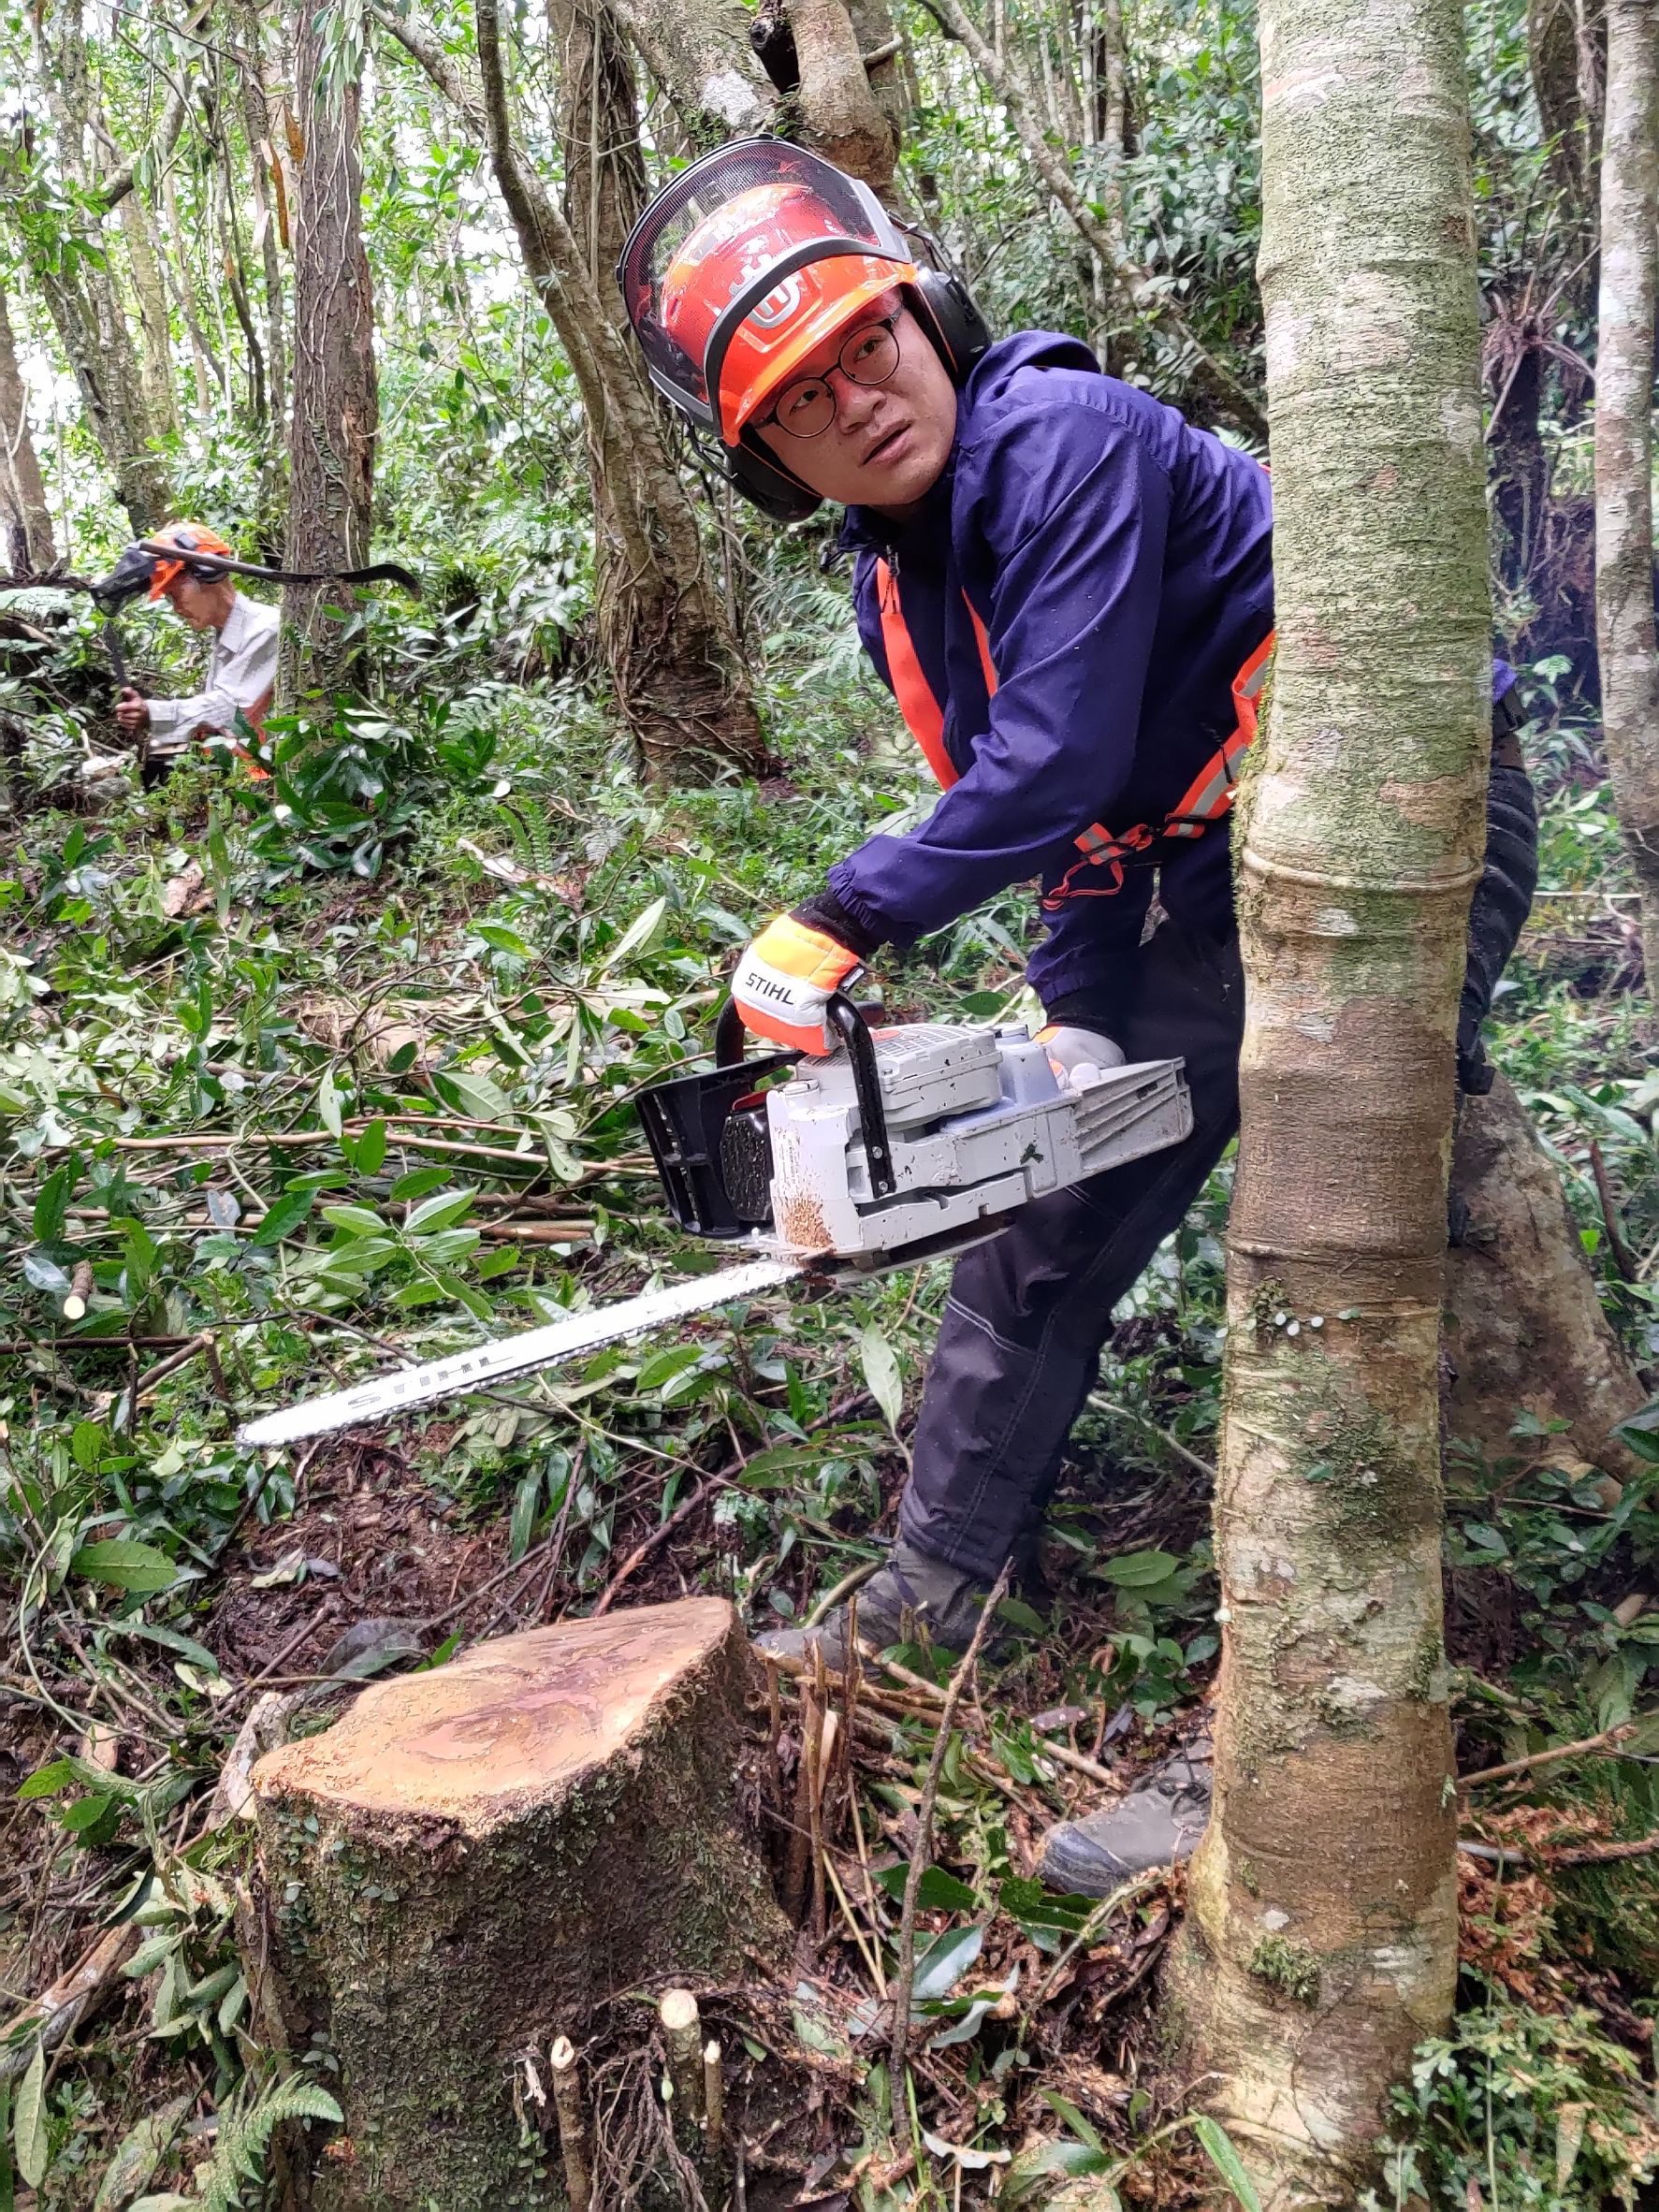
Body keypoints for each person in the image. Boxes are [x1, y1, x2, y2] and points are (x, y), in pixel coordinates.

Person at [619, 141, 1537, 1891]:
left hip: (1391, 811)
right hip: (1194, 870)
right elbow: (1070, 824)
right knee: (1034, 1212)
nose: (858, 401)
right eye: (803, 402)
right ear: (771, 465)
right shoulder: (907, 577)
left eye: (864, 349)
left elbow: (1054, 766)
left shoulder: (1065, 441)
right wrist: (1066, 1027)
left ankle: (1290, 1744)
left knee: (1325, 1248)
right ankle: (927, 1595)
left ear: (924, 315)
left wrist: (835, 915)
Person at [111, 522, 278, 772]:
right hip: (242, 780)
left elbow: (228, 709)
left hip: (269, 786)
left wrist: (152, 712)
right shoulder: (226, 637)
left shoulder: (265, 629)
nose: (177, 608)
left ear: (207, 572)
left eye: (176, 594)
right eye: (169, 599)